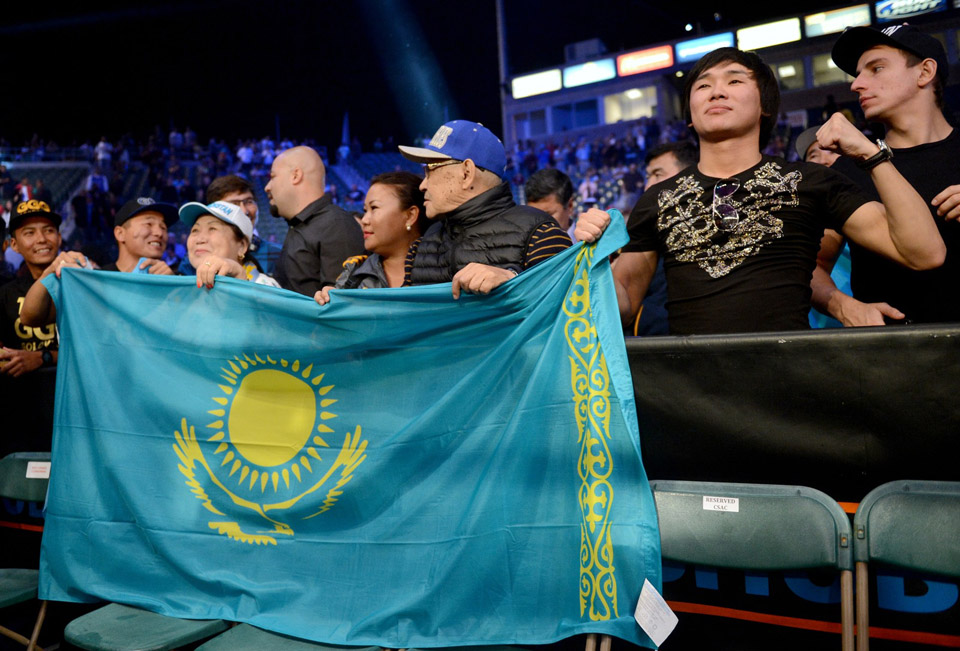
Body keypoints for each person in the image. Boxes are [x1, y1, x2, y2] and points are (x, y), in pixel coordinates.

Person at [574, 47, 944, 335]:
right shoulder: (657, 199)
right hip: (692, 396)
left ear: (765, 105)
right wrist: (592, 259)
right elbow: (623, 304)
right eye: (703, 85)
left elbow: (924, 253)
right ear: (689, 112)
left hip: (790, 387)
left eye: (735, 81)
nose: (716, 91)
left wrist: (870, 154)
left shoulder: (811, 181)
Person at [811, 24, 960, 326]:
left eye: (876, 68)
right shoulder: (848, 170)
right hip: (890, 357)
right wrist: (842, 306)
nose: (856, 85)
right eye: (857, 74)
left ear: (924, 72)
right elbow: (809, 264)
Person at [398, 120, 571, 298]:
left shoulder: (541, 235)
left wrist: (513, 280)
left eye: (430, 170)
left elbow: (566, 311)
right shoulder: (422, 245)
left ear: (467, 173)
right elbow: (404, 318)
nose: (423, 185)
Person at [315, 171, 428, 304]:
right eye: (365, 210)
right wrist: (326, 302)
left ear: (410, 216)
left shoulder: (444, 268)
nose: (364, 220)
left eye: (374, 208)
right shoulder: (353, 275)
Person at [265, 146, 364, 296]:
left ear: (295, 175)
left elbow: (342, 304)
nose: (267, 187)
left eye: (273, 177)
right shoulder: (301, 226)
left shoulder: (336, 225)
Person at [629, 141, 700, 336]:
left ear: (688, 176)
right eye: (648, 176)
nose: (648, 185)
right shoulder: (643, 236)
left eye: (658, 174)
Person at [0, 201, 61, 377]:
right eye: (29, 233)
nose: (42, 239)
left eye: (49, 230)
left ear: (59, 237)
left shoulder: (82, 286)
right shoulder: (5, 294)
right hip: (22, 398)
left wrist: (43, 357)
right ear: (14, 244)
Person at [179, 200, 279, 288]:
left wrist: (242, 283)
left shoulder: (266, 289)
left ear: (241, 246)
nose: (200, 239)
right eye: (195, 230)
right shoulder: (182, 291)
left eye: (213, 228)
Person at [104, 197, 180, 274]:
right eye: (148, 224)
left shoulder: (176, 281)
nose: (159, 233)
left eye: (163, 227)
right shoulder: (96, 282)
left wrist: (172, 284)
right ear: (120, 234)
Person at [524, 168, 576, 241]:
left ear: (570, 206)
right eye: (533, 217)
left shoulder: (592, 248)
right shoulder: (520, 248)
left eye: (548, 215)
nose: (539, 225)